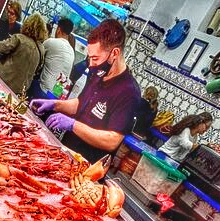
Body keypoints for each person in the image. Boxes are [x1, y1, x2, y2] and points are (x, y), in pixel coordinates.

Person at [30, 19, 141, 163]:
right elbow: (81, 103)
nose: (91, 64)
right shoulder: (97, 73)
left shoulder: (129, 92)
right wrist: (54, 104)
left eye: (95, 58)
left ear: (114, 53)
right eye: (90, 58)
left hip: (87, 165)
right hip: (67, 152)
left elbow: (112, 140)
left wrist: (73, 125)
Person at [0, 13, 47, 95]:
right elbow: (38, 69)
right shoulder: (41, 49)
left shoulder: (19, 38)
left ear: (27, 25)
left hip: (2, 81)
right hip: (20, 91)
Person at [28, 17, 75, 99]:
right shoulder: (71, 51)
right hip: (56, 96)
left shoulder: (51, 42)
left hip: (43, 91)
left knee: (27, 81)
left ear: (58, 29)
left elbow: (36, 55)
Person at [0, 1, 22, 68]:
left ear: (17, 16)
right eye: (8, 12)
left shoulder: (19, 30)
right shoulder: (1, 23)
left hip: (5, 61)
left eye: (12, 13)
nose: (9, 15)